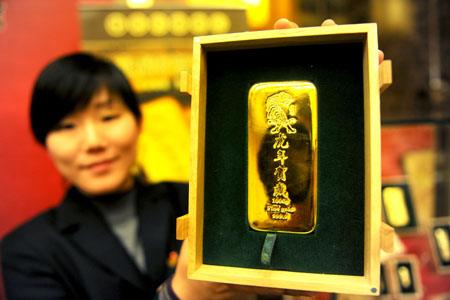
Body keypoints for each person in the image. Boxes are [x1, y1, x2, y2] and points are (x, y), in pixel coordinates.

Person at [0, 19, 384, 300]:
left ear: (137, 121)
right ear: (44, 139)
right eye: (67, 126)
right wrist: (179, 294)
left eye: (108, 117)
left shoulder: (199, 202)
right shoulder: (27, 250)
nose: (94, 141)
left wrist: (342, 126)